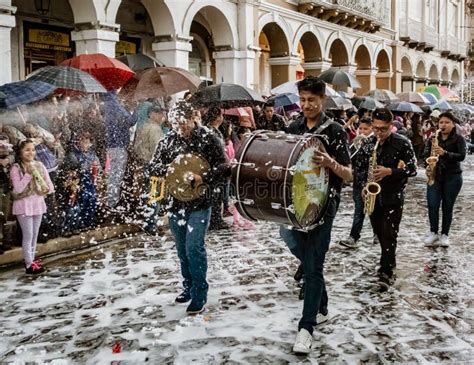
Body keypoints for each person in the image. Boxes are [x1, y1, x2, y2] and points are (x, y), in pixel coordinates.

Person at [280, 76, 352, 354]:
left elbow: (348, 175)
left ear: (323, 100)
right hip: (296, 206)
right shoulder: (294, 126)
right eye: (303, 100)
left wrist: (329, 161)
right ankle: (321, 303)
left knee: (313, 266)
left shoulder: (335, 130)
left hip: (324, 206)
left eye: (312, 100)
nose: (306, 105)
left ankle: (306, 328)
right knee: (293, 242)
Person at [149, 101, 230, 315]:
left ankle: (199, 293)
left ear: (192, 119)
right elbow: (152, 166)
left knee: (194, 247)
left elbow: (224, 167)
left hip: (200, 202)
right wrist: (169, 169)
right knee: (182, 250)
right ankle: (188, 286)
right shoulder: (167, 141)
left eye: (183, 122)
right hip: (175, 203)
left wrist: (202, 176)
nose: (180, 127)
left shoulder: (208, 138)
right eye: (175, 123)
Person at [354, 108, 417, 288]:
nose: (378, 133)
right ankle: (387, 259)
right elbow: (359, 168)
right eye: (375, 128)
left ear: (391, 126)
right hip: (374, 196)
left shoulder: (402, 143)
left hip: (393, 195)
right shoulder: (368, 144)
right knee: (380, 233)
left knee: (389, 234)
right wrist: (363, 186)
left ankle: (386, 270)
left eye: (383, 129)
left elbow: (413, 169)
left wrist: (390, 171)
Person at [10, 139, 54, 274]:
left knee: (35, 234)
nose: (31, 152)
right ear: (20, 152)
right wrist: (28, 174)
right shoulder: (16, 168)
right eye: (27, 150)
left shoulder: (40, 165)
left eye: (33, 149)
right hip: (24, 205)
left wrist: (48, 189)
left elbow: (49, 184)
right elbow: (18, 189)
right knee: (28, 235)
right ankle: (29, 265)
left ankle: (33, 260)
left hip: (37, 203)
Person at [423, 111, 466, 247]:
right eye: (441, 122)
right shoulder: (433, 138)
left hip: (452, 177)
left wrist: (445, 153)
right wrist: (428, 163)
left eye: (447, 122)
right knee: (432, 205)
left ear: (453, 125)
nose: (443, 125)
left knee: (447, 206)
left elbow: (462, 155)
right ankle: (433, 232)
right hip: (435, 175)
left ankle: (445, 234)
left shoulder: (459, 139)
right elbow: (424, 155)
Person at [339, 118, 377, 248]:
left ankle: (376, 233)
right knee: (359, 210)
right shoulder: (357, 142)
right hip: (358, 181)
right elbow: (350, 159)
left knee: (372, 211)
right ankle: (354, 237)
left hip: (370, 181)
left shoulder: (374, 142)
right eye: (360, 128)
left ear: (372, 129)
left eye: (366, 129)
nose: (362, 131)